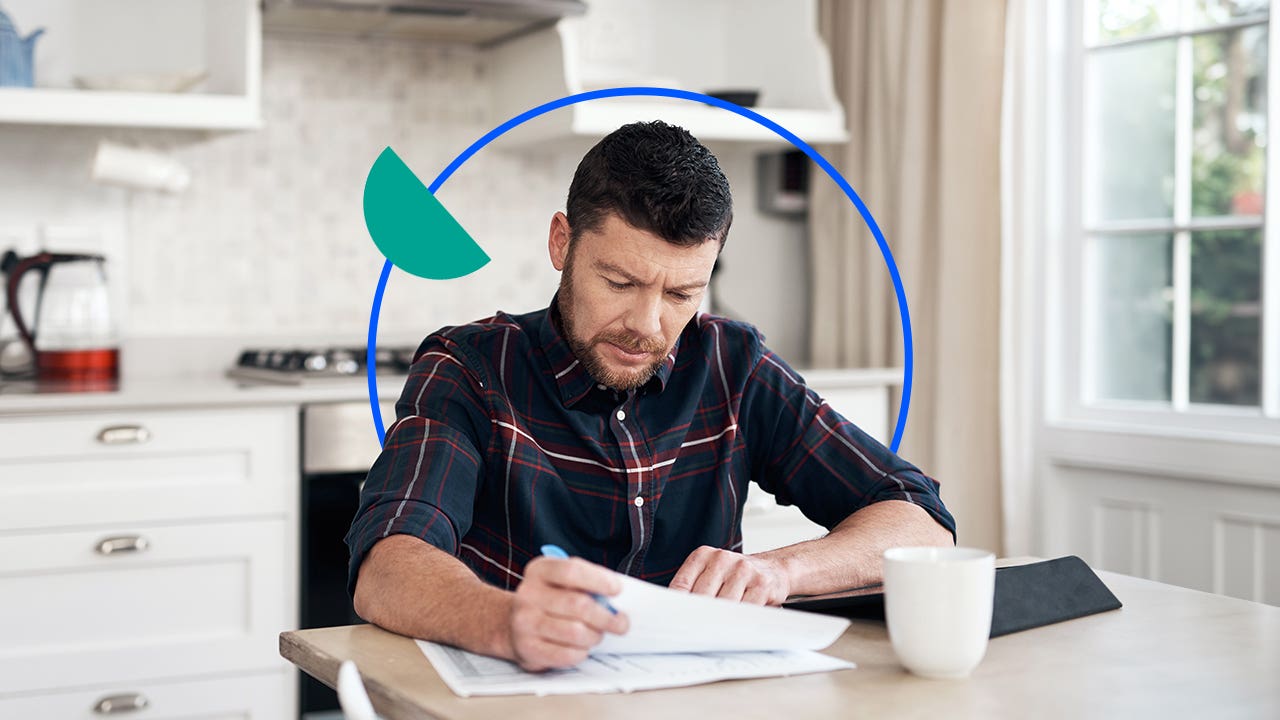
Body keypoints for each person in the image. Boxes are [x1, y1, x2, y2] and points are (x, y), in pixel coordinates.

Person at [346, 120, 956, 672]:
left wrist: (780, 571)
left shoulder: (734, 365)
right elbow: (388, 564)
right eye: (620, 282)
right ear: (562, 244)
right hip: (522, 694)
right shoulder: (470, 368)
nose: (648, 325)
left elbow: (920, 520)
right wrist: (505, 623)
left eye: (681, 295)